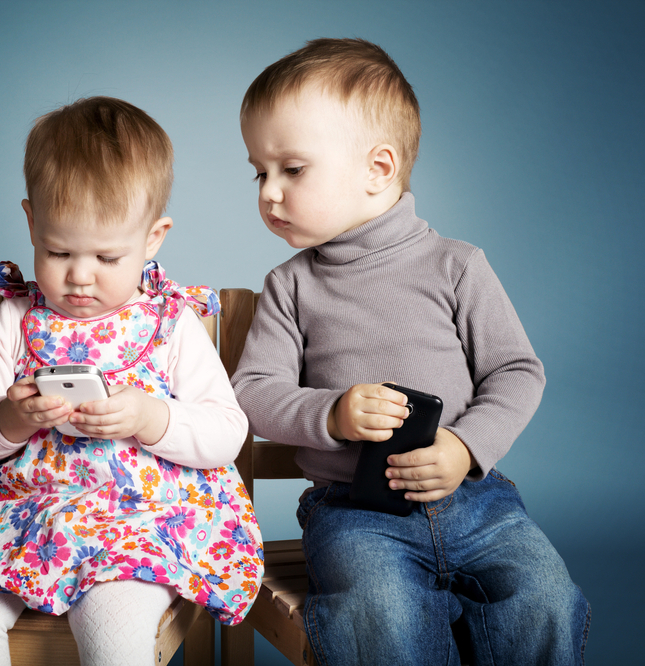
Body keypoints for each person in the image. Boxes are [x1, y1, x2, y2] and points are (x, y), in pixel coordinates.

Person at [232, 39, 589, 665]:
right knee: (378, 612)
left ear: (378, 168)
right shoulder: (290, 285)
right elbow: (253, 393)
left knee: (546, 597)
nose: (269, 192)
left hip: (477, 502)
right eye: (260, 172)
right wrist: (331, 414)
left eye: (292, 169)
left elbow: (516, 371)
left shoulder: (456, 265)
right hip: (353, 514)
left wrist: (464, 446)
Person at [0, 96, 262, 666]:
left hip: (137, 517)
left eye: (108, 257)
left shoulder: (170, 322)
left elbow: (227, 432)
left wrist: (149, 417)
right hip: (15, 514)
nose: (80, 276)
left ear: (154, 238)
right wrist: (9, 418)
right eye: (57, 251)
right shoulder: (15, 319)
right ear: (31, 222)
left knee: (115, 629)